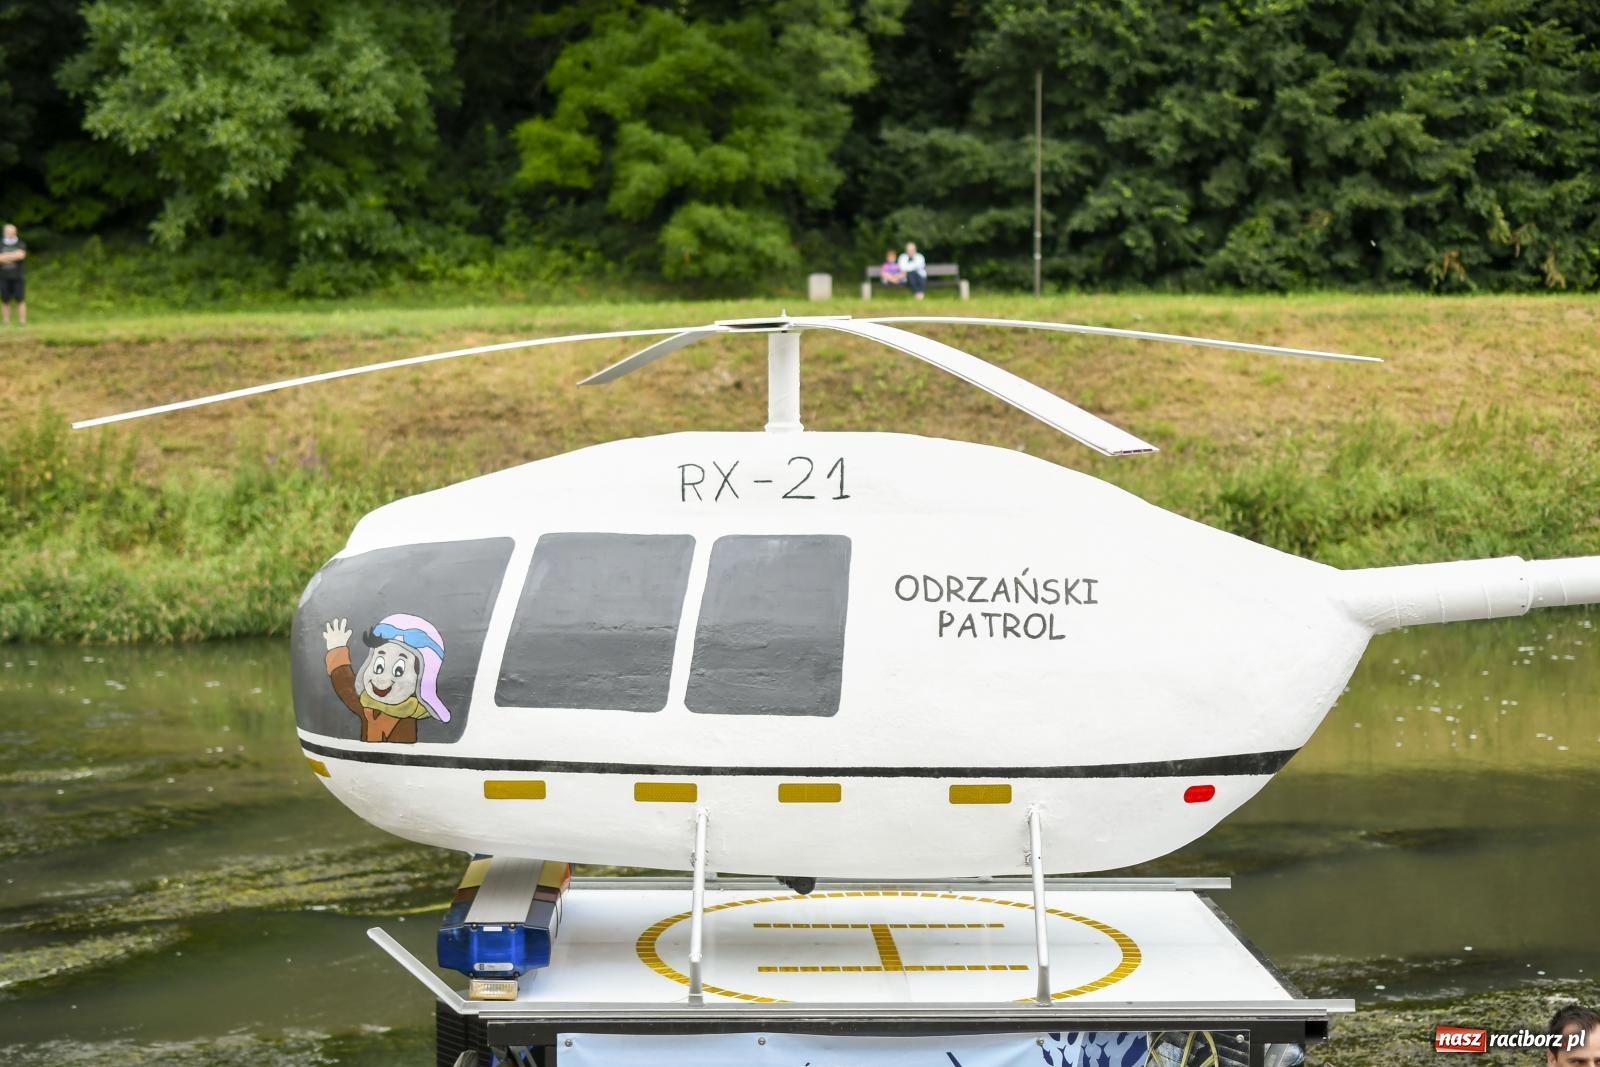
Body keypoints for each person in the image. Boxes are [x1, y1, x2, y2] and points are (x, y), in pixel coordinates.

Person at [0, 224, 25, 326]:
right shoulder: (1, 244)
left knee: (20, 299)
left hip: (18, 276)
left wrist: (5, 256)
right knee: (5, 299)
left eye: (12, 231)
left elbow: (21, 255)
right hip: (3, 276)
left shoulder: (20, 243)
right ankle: (6, 321)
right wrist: (14, 255)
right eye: (8, 231)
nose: (10, 233)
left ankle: (22, 321)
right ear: (4, 232)